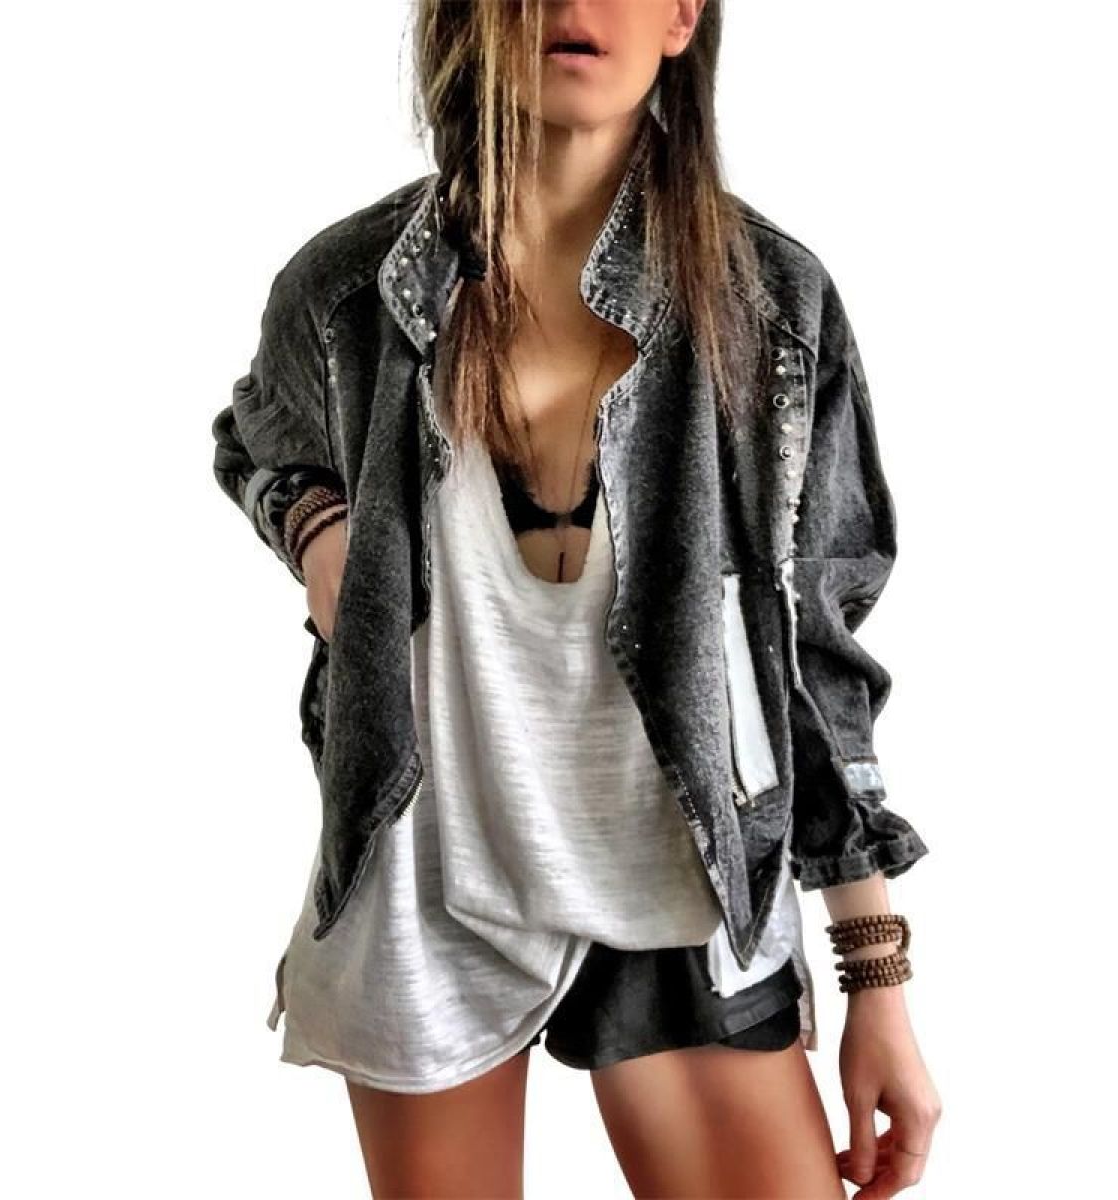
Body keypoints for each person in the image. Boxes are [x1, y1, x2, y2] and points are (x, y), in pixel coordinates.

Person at [210, 1, 942, 1196]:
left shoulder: (769, 302)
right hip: (427, 871)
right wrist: (317, 530)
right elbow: (257, 434)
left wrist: (878, 982)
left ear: (681, 15)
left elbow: (812, 655)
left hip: (684, 871)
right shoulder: (348, 290)